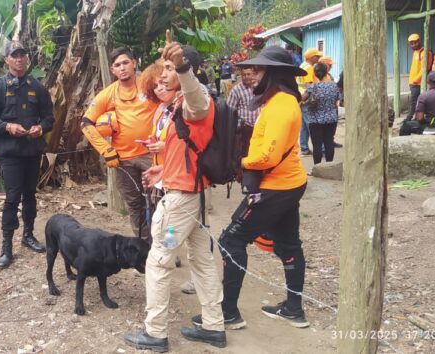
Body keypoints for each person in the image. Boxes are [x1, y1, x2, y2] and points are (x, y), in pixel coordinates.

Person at [123, 34, 226, 352]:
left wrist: (182, 67)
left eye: (170, 67)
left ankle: (155, 333)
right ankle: (213, 326)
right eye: (165, 67)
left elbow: (195, 95)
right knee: (202, 259)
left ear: (186, 71)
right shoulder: (178, 107)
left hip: (180, 202)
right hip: (190, 196)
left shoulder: (197, 103)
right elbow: (186, 150)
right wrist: (162, 170)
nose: (164, 73)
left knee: (159, 259)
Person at [211, 46, 310, 330]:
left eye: (259, 70)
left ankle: (227, 312)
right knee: (289, 244)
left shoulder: (281, 105)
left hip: (275, 187)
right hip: (288, 183)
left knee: (231, 240)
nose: (251, 75)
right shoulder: (281, 100)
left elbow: (268, 156)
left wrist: (237, 163)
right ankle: (293, 309)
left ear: (275, 73)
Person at [0, 41, 55, 269]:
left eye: (22, 54)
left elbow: (49, 118)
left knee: (30, 195)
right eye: (15, 55)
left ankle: (28, 235)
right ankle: (7, 246)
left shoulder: (37, 87)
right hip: (11, 153)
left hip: (32, 151)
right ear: (7, 60)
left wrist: (40, 128)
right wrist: (7, 127)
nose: (20, 58)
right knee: (12, 197)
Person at [81, 47, 159, 241]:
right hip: (123, 160)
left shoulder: (149, 85)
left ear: (134, 63)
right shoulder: (108, 94)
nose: (122, 68)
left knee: (159, 201)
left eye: (125, 63)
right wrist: (105, 150)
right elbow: (85, 123)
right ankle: (145, 247)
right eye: (117, 65)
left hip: (152, 156)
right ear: (112, 70)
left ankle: (163, 246)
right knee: (135, 205)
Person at [303, 63, 340, 165]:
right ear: (326, 72)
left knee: (317, 145)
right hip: (331, 119)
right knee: (329, 143)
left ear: (315, 74)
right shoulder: (333, 86)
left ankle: (317, 168)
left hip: (315, 120)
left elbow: (302, 99)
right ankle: (329, 166)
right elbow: (338, 99)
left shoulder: (312, 87)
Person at [226, 66, 260, 157]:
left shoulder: (260, 87)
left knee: (258, 153)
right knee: (246, 153)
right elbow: (230, 111)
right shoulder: (236, 90)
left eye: (249, 74)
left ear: (254, 74)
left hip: (259, 127)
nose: (246, 77)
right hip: (245, 129)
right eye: (244, 75)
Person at [297, 48, 322, 156]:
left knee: (304, 125)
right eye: (317, 56)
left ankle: (304, 148)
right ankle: (318, 148)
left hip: (301, 97)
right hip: (307, 98)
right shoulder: (309, 68)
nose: (319, 58)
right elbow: (309, 85)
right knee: (312, 124)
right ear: (311, 57)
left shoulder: (302, 65)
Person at [406, 33, 434, 122]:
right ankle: (413, 118)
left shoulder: (425, 52)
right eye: (411, 43)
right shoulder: (415, 52)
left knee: (415, 102)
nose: (413, 45)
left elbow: (424, 69)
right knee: (415, 102)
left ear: (419, 41)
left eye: (415, 42)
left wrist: (415, 80)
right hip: (413, 82)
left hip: (418, 83)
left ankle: (410, 119)